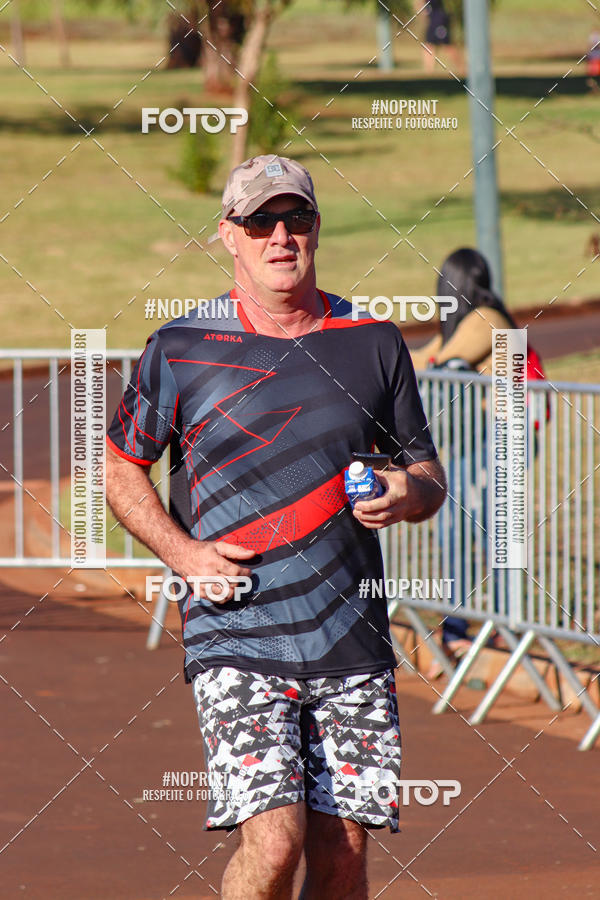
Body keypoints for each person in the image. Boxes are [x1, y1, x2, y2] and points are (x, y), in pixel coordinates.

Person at [106, 154, 446, 900]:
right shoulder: (182, 348)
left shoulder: (373, 340)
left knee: (344, 851)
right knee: (276, 840)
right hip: (237, 630)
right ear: (228, 235)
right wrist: (183, 551)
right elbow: (120, 468)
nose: (280, 235)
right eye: (260, 220)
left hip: (351, 635)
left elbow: (428, 474)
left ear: (317, 229)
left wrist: (405, 492)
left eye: (296, 219)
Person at [410, 248, 516, 669]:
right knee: (462, 531)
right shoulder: (467, 322)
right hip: (477, 444)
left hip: (501, 443)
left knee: (492, 536)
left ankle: (499, 627)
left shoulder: (487, 319)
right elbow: (421, 358)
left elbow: (437, 360)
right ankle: (464, 626)